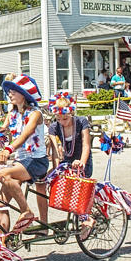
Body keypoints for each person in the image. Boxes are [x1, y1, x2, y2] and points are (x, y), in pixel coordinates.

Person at [0, 75, 48, 238]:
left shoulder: (35, 113)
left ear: (23, 94)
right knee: (0, 202)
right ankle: (4, 243)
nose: (9, 94)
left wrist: (9, 149)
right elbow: (1, 131)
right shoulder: (12, 114)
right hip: (21, 160)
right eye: (9, 92)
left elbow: (26, 133)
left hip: (36, 160)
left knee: (4, 174)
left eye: (13, 91)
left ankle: (26, 212)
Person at [47, 92, 93, 233]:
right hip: (66, 162)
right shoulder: (54, 127)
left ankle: (87, 219)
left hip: (82, 160)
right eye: (59, 118)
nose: (62, 121)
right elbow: (55, 152)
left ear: (71, 113)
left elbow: (86, 145)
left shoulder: (81, 122)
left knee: (76, 186)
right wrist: (56, 170)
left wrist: (82, 162)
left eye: (65, 118)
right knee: (50, 183)